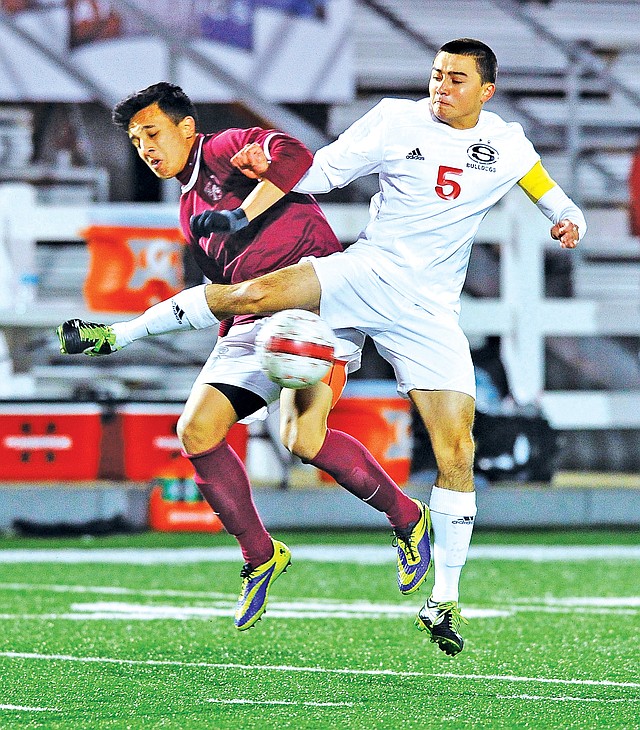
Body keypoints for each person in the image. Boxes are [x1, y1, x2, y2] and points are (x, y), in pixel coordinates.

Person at [61, 36, 587, 656]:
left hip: (431, 309)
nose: (441, 87)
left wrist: (566, 214)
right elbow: (321, 168)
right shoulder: (395, 120)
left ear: (486, 90)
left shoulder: (504, 142)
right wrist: (268, 186)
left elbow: (538, 181)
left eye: (456, 79)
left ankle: (442, 598)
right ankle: (257, 546)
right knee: (221, 376)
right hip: (362, 274)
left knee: (456, 451)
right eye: (436, 75)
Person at [56, 83, 431, 632]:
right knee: (196, 432)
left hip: (314, 299)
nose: (147, 148)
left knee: (303, 439)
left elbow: (297, 156)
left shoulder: (225, 149)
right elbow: (228, 288)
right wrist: (229, 346)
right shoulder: (187, 210)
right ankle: (261, 556)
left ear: (186, 127)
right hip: (253, 319)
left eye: (153, 133)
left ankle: (408, 518)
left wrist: (241, 212)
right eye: (137, 142)